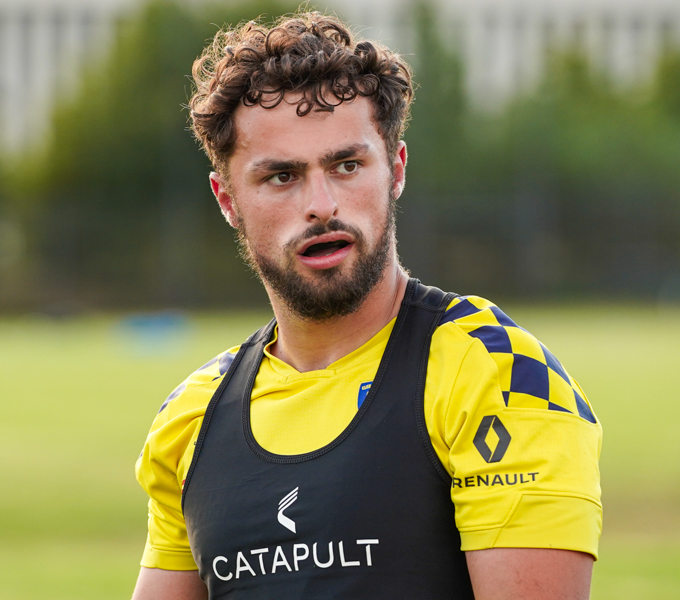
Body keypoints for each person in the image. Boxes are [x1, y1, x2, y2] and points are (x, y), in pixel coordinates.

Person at [132, 11, 602, 600]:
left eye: (347, 165)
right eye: (281, 177)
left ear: (396, 170)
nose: (322, 205)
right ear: (227, 198)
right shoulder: (191, 421)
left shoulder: (498, 377)